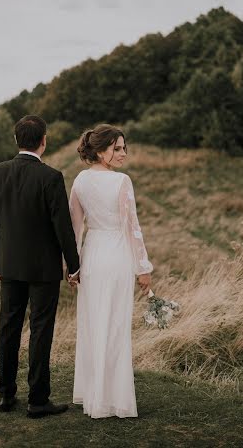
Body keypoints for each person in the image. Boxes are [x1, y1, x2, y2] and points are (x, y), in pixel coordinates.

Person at [0, 115, 80, 418]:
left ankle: (6, 396)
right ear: (44, 141)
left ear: (16, 140)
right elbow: (62, 227)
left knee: (8, 329)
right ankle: (38, 400)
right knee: (41, 331)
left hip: (8, 264)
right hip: (43, 268)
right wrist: (74, 266)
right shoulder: (51, 177)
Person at [69, 123, 153, 418]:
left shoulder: (79, 180)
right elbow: (133, 228)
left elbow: (74, 229)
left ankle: (95, 396)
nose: (123, 153)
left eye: (124, 148)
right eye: (117, 148)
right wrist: (143, 267)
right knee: (114, 326)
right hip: (116, 256)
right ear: (101, 151)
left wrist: (72, 266)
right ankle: (111, 400)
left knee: (94, 325)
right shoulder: (121, 182)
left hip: (92, 257)